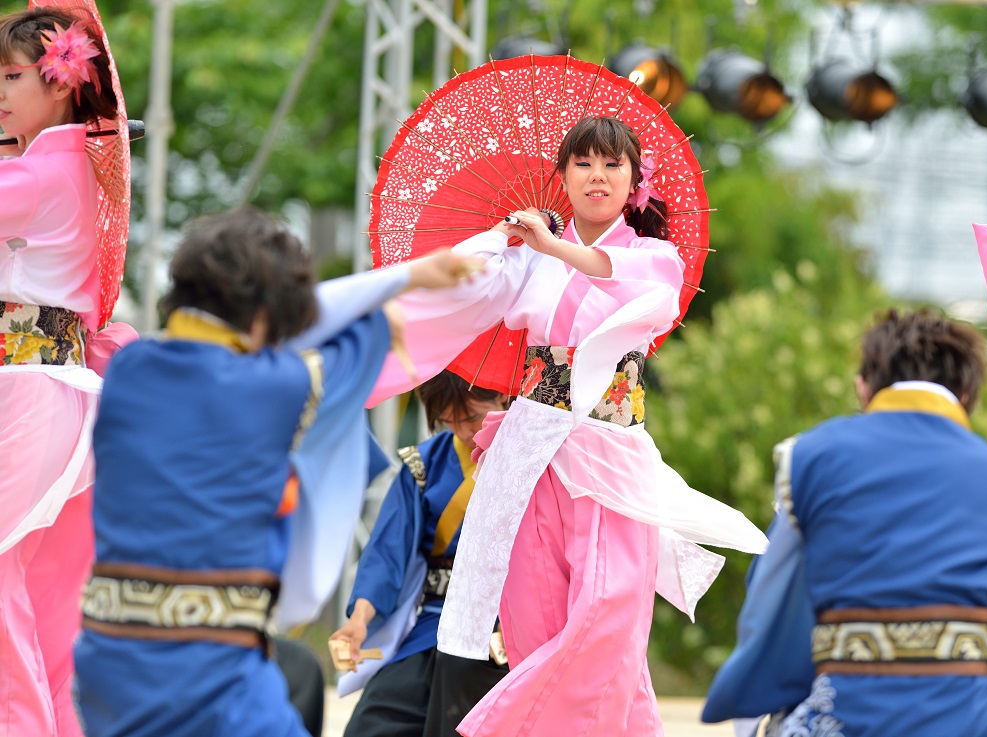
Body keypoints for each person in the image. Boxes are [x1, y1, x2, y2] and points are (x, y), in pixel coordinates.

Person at [365, 116, 768, 737]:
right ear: (562, 176)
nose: (597, 176)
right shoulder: (534, 257)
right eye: (582, 164)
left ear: (635, 181)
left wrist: (554, 248)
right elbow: (462, 292)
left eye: (612, 164)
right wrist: (496, 243)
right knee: (534, 621)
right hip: (531, 452)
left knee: (609, 615)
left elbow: (629, 284)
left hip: (610, 456)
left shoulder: (651, 257)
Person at [72, 208, 482, 737]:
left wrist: (403, 276)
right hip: (210, 670)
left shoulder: (130, 368)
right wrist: (399, 292)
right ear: (268, 316)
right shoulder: (281, 386)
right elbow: (353, 329)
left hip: (105, 659)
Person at [701, 308, 987, 737]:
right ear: (969, 396)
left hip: (849, 713)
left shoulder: (811, 458)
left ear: (864, 386)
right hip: (972, 721)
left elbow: (773, 601)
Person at [0, 7, 132, 736]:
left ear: (60, 83)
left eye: (13, 76)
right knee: (40, 580)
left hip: (33, 389)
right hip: (41, 386)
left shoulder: (45, 172)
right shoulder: (49, 165)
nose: (1, 91)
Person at [330, 370, 510, 737]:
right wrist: (360, 618)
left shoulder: (528, 459)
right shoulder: (424, 464)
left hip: (503, 626)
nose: (462, 432)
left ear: (503, 398)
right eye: (449, 421)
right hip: (433, 622)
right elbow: (387, 550)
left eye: (473, 418)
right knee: (375, 720)